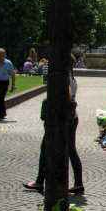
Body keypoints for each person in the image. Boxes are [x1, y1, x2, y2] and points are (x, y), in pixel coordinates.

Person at [24, 55, 83, 194]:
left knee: (46, 147)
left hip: (64, 119)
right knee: (70, 150)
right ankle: (78, 183)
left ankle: (40, 181)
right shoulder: (72, 77)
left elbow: (67, 96)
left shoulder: (65, 78)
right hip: (71, 118)